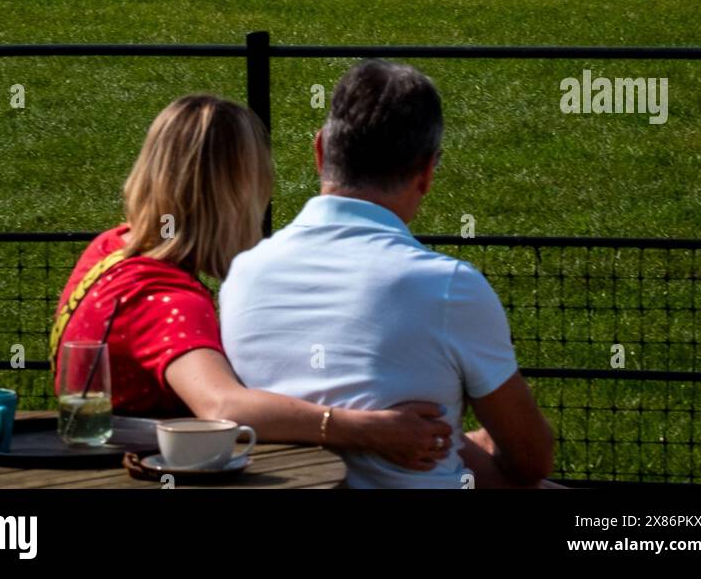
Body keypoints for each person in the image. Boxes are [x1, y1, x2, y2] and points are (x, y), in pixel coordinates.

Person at [51, 94, 452, 471]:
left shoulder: (111, 248)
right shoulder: (165, 299)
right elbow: (223, 406)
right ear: (237, 195)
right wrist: (369, 430)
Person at [220, 61, 556, 489]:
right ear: (427, 172)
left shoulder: (243, 273)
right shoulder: (451, 287)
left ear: (320, 150)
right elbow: (530, 462)